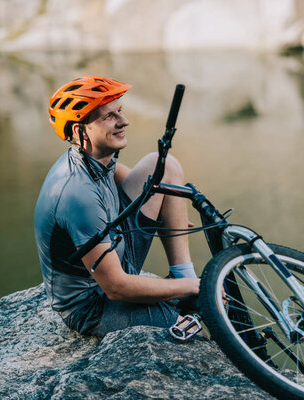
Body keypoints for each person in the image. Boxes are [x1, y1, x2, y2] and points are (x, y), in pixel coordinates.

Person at [34, 75, 199, 337]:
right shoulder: (77, 194)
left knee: (162, 164)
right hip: (96, 304)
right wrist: (195, 287)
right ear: (80, 131)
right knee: (202, 331)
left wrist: (168, 208)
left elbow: (116, 172)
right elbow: (116, 288)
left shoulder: (93, 156)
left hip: (117, 247)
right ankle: (189, 287)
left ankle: (183, 273)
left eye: (120, 110)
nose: (124, 121)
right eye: (109, 116)